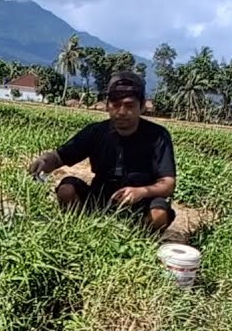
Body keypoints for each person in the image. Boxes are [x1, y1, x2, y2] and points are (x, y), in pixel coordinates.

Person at [27, 71, 177, 234]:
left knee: (159, 214)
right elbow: (58, 157)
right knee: (66, 190)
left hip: (140, 203)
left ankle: (136, 238)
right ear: (107, 105)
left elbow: (168, 184)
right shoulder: (96, 131)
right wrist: (43, 161)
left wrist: (141, 191)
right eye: (115, 105)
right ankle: (79, 230)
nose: (121, 112)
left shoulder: (158, 136)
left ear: (141, 107)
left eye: (129, 105)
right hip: (100, 198)